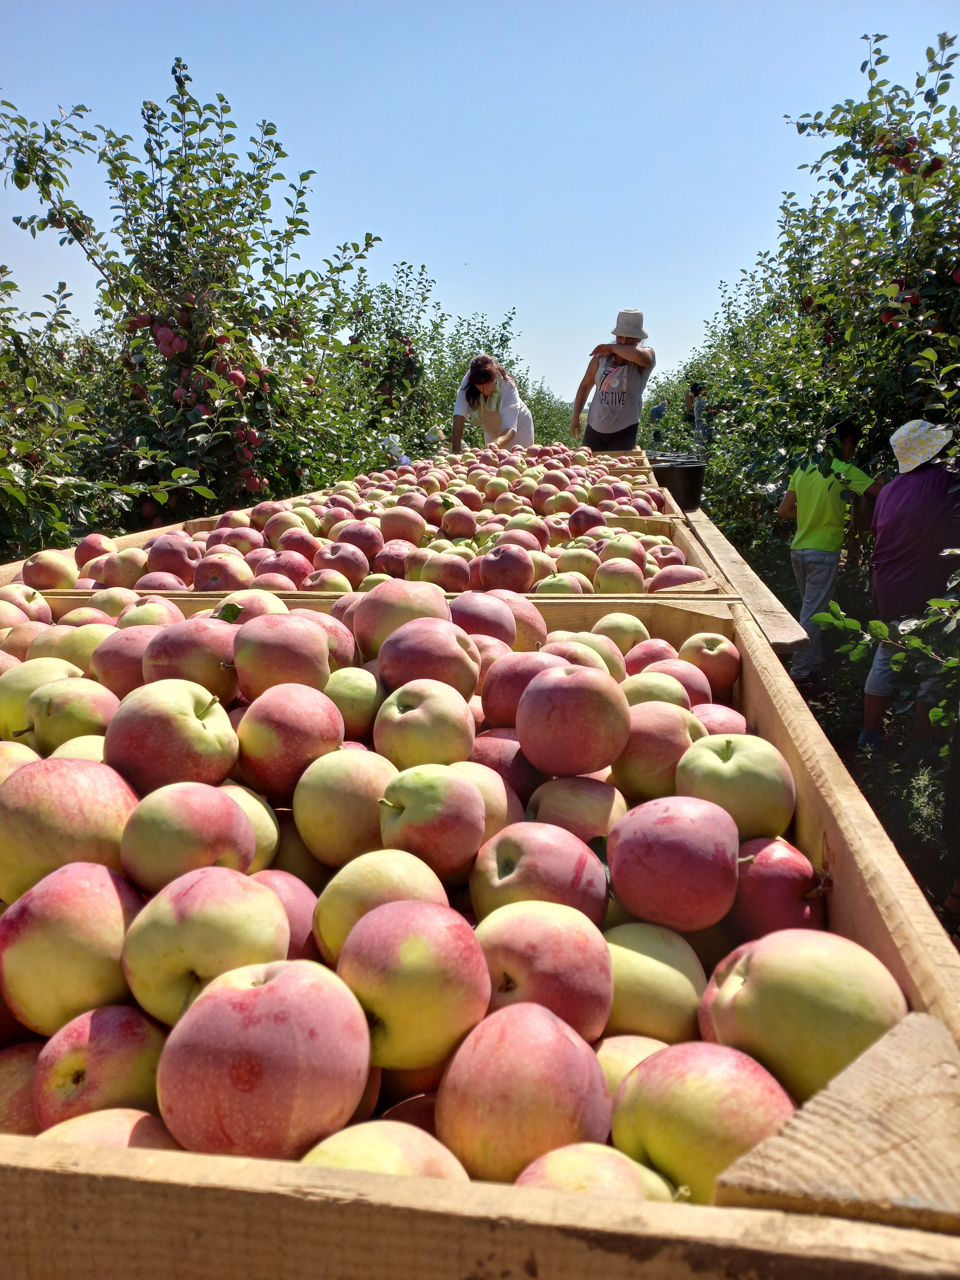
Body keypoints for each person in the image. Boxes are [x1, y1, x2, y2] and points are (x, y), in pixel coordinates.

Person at [859, 419, 958, 748]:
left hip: (888, 586)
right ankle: (924, 746)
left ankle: (869, 734)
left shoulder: (888, 491)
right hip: (928, 587)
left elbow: (878, 532)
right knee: (933, 661)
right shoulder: (947, 478)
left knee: (887, 653)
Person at [777, 420, 883, 689]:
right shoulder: (844, 471)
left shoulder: (804, 467)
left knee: (811, 608)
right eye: (853, 444)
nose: (852, 450)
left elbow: (784, 510)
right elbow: (880, 492)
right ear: (846, 441)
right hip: (823, 552)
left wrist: (812, 514)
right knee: (813, 613)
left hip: (799, 550)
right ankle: (800, 673)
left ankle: (811, 664)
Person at [571, 309, 656, 453]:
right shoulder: (601, 358)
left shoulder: (646, 355)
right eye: (620, 337)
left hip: (625, 429)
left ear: (638, 339)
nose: (623, 341)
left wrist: (612, 347)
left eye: (629, 338)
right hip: (595, 427)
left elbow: (640, 357)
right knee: (590, 470)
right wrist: (576, 417)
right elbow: (585, 385)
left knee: (617, 471)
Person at [451, 354, 534, 453]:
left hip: (518, 428)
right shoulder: (467, 384)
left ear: (495, 377)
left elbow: (510, 426)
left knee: (519, 457)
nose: (484, 389)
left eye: (488, 384)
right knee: (492, 462)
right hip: (491, 429)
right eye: (480, 385)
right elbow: (459, 417)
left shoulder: (507, 385)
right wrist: (455, 451)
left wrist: (497, 443)